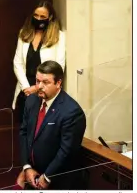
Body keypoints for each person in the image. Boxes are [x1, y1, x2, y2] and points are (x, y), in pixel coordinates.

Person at [14, 61, 86, 190]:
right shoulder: (31, 100)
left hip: (58, 180)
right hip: (32, 174)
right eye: (37, 81)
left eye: (45, 82)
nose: (39, 86)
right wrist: (26, 167)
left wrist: (47, 176)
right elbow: (24, 133)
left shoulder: (72, 112)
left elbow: (67, 150)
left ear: (58, 83)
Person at [12, 0, 65, 123]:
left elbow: (59, 67)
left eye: (42, 16)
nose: (38, 19)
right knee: (24, 129)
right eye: (36, 15)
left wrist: (36, 88)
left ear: (50, 17)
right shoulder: (23, 33)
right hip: (25, 88)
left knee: (41, 129)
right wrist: (27, 88)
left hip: (46, 89)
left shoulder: (59, 36)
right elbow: (17, 63)